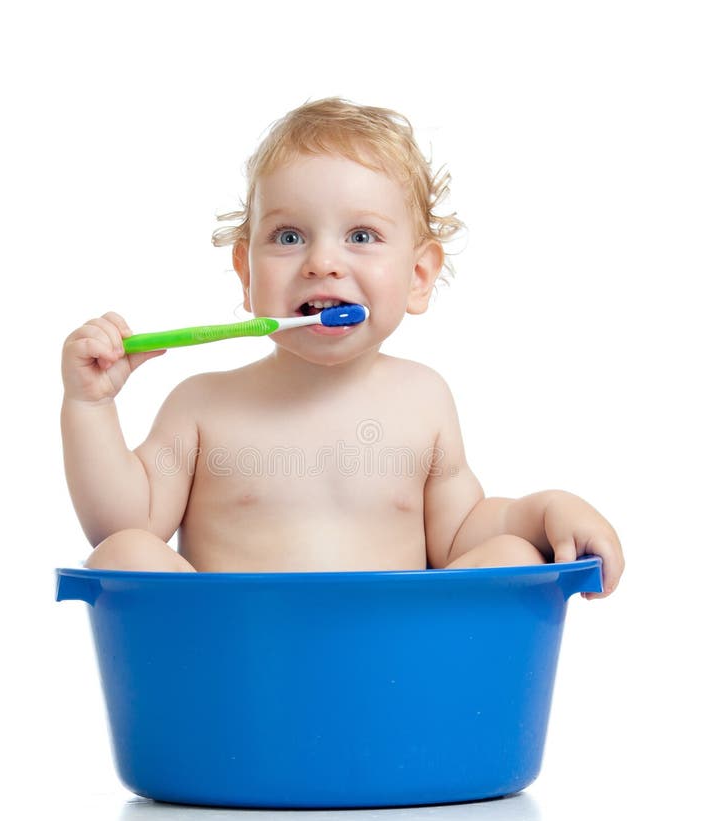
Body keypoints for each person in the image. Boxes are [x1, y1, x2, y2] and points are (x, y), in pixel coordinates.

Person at [60, 97, 623, 598]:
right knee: (124, 553)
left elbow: (460, 534)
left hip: (386, 668)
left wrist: (544, 510)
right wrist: (91, 406)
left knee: (513, 556)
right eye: (288, 236)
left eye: (361, 236)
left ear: (419, 276)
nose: (321, 261)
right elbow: (121, 525)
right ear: (245, 272)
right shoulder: (201, 405)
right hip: (242, 671)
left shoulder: (423, 401)